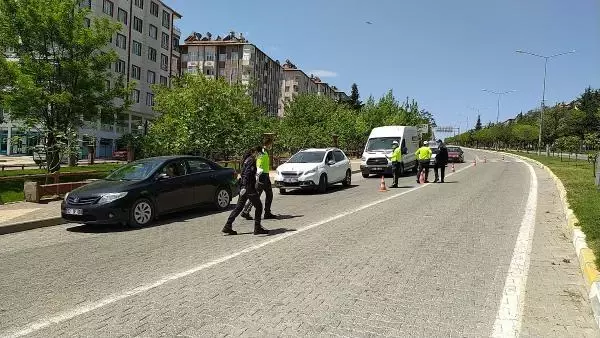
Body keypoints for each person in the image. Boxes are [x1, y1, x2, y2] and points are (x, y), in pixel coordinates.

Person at [222, 147, 269, 236]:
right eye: (259, 154)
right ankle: (257, 228)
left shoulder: (246, 160)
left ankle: (227, 225)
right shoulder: (251, 160)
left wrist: (243, 186)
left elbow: (243, 173)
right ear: (255, 152)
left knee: (239, 207)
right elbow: (247, 174)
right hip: (249, 187)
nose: (259, 156)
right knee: (259, 206)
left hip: (244, 187)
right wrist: (245, 185)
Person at [240, 139, 277, 220]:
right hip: (262, 176)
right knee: (256, 196)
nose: (271, 146)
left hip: (266, 175)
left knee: (269, 194)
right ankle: (245, 211)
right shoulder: (262, 152)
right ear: (268, 144)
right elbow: (259, 163)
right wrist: (258, 174)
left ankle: (267, 212)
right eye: (271, 144)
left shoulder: (265, 152)